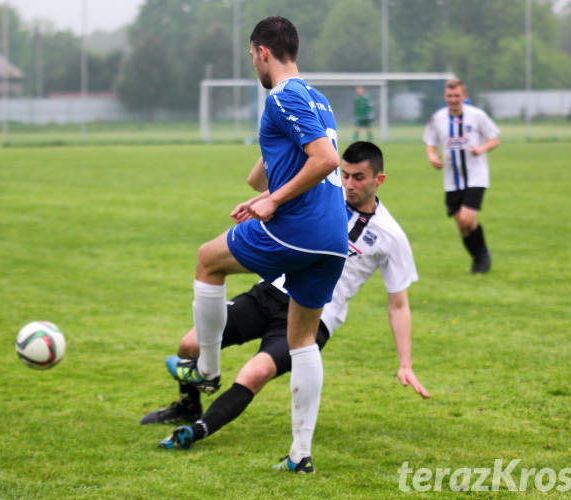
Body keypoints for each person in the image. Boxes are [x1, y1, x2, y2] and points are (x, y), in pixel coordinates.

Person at [145, 142, 429, 472]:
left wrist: (405, 364)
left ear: (379, 179)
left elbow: (398, 305)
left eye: (359, 177)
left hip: (314, 316)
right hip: (270, 293)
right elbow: (263, 186)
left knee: (256, 371)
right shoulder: (321, 195)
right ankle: (188, 405)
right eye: (345, 175)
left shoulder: (390, 235)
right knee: (190, 343)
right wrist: (275, 150)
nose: (350, 184)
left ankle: (196, 431)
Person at [163, 17, 348, 473]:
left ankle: (206, 370)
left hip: (296, 228)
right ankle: (300, 456)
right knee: (302, 340)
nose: (253, 65)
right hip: (333, 239)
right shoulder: (318, 98)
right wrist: (264, 186)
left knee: (209, 260)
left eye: (252, 57)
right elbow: (278, 164)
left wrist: (274, 201)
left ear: (262, 52)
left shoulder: (282, 96)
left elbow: (326, 159)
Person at [423, 78, 499, 274]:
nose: (453, 99)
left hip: (476, 176)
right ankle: (479, 258)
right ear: (445, 97)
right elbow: (430, 143)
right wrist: (432, 157)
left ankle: (482, 256)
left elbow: (494, 139)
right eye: (450, 96)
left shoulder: (477, 115)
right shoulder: (437, 118)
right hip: (451, 179)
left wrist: (481, 148)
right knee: (462, 225)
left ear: (464, 96)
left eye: (457, 96)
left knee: (466, 219)